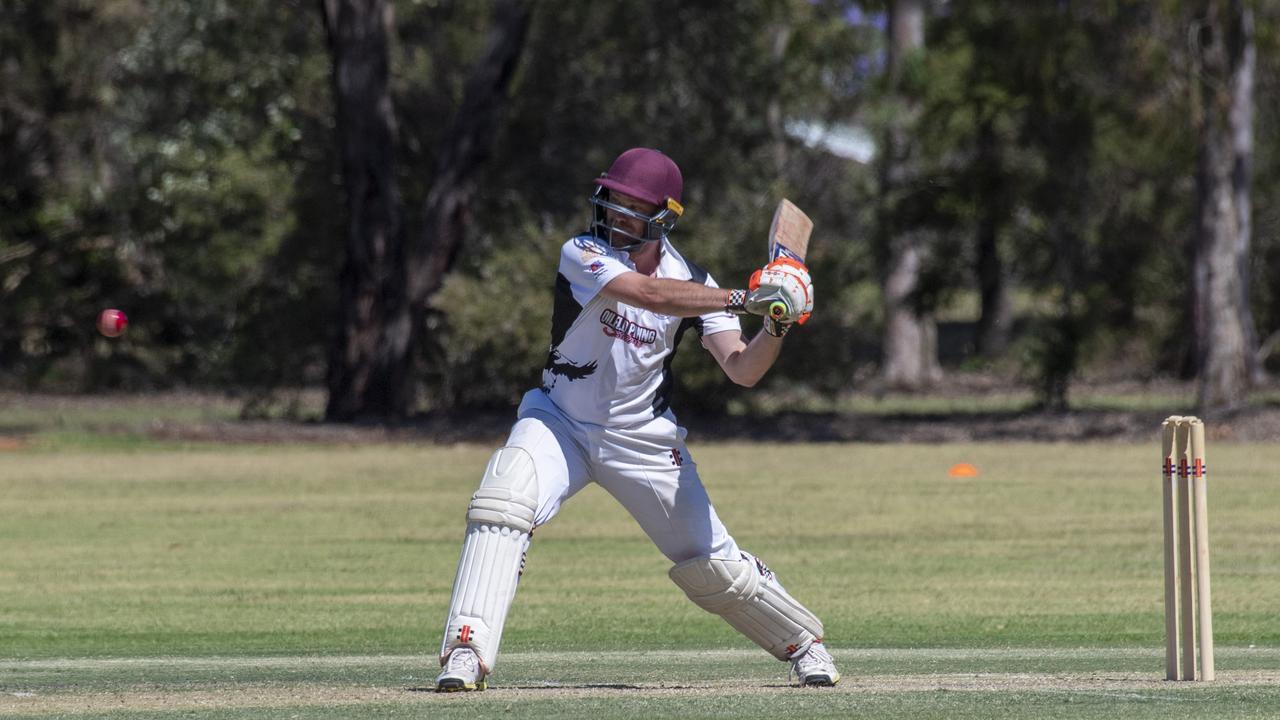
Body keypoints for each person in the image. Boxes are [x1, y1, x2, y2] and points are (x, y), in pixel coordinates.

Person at [434, 147, 838, 691]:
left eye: (633, 207)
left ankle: (803, 644)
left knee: (713, 564)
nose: (616, 215)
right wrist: (749, 295)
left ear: (665, 218)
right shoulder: (581, 252)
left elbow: (743, 370)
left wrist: (777, 321)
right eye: (613, 201)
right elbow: (648, 294)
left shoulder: (696, 281)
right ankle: (467, 650)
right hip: (559, 420)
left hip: (643, 439)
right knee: (503, 500)